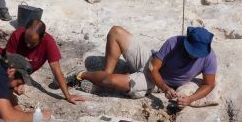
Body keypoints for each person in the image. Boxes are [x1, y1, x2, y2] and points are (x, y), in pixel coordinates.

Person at [67, 25, 217, 106]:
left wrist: (190, 99)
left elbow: (209, 84)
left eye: (197, 53)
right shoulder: (174, 42)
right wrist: (166, 89)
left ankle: (93, 77)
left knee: (111, 81)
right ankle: (92, 75)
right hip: (151, 65)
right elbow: (153, 68)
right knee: (116, 32)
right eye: (191, 51)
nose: (193, 55)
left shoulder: (209, 57)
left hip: (155, 82)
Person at [0, 19, 86, 105]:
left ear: (42, 37)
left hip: (21, 71)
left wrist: (68, 96)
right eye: (26, 40)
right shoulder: (17, 35)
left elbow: (56, 70)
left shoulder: (48, 42)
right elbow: (9, 64)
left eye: (32, 43)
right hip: (3, 63)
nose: (28, 45)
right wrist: (14, 85)